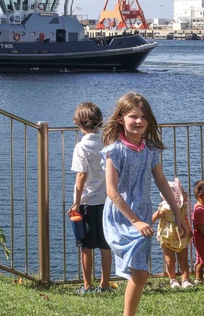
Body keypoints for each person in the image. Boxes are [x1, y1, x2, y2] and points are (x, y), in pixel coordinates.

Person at [101, 92, 188, 316]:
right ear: (120, 119)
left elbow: (161, 181)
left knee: (140, 274)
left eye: (143, 116)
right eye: (133, 116)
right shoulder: (114, 151)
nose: (139, 121)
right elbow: (111, 191)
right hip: (122, 216)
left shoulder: (150, 149)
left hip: (143, 212)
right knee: (139, 274)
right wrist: (136, 221)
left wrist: (178, 214)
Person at [68, 101, 112, 294]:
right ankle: (105, 284)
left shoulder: (81, 147)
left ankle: (87, 285)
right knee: (105, 245)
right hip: (107, 200)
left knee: (86, 246)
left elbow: (81, 175)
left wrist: (76, 202)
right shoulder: (107, 142)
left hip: (87, 201)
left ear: (80, 124)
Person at [151, 178, 193, 288]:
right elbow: (153, 218)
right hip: (167, 237)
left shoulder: (182, 207)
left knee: (183, 260)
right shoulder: (164, 209)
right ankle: (173, 279)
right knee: (170, 260)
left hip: (182, 236)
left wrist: (189, 230)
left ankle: (185, 279)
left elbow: (185, 218)